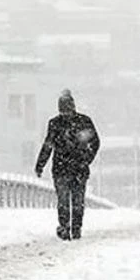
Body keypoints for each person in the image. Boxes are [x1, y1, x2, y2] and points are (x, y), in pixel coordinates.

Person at [35, 90, 100, 241]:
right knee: (76, 200)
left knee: (65, 200)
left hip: (62, 168)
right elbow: (95, 143)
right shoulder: (84, 122)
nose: (65, 113)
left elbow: (48, 146)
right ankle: (74, 228)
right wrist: (86, 159)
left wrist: (40, 164)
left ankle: (67, 227)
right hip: (78, 168)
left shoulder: (55, 124)